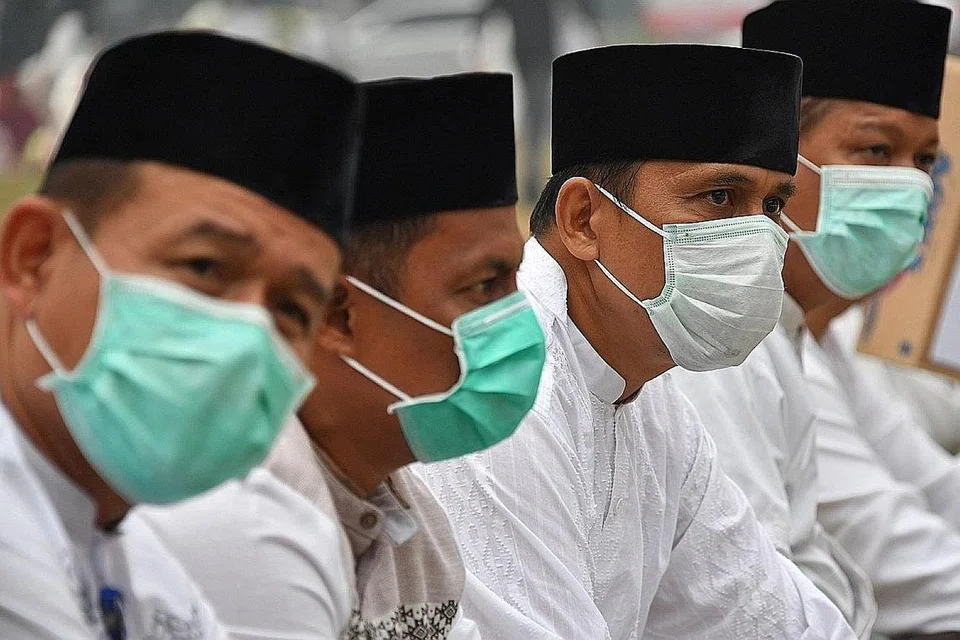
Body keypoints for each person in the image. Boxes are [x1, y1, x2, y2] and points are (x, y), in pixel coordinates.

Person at [420, 43, 857, 639]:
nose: (756, 235)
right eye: (719, 198)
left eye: (773, 205)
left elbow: (769, 617)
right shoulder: (505, 392)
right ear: (583, 219)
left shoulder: (649, 396)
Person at [141, 72, 544, 639]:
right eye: (484, 287)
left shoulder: (415, 534)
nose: (516, 319)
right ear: (335, 315)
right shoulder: (244, 514)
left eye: (515, 283)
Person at [0, 31, 361, 638]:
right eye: (204, 267)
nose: (249, 332)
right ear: (33, 257)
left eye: (292, 309)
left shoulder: (142, 569)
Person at [673, 2, 960, 638]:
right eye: (876, 150)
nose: (909, 188)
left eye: (924, 164)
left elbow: (934, 488)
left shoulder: (807, 334)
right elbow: (887, 558)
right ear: (779, 159)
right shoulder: (722, 346)